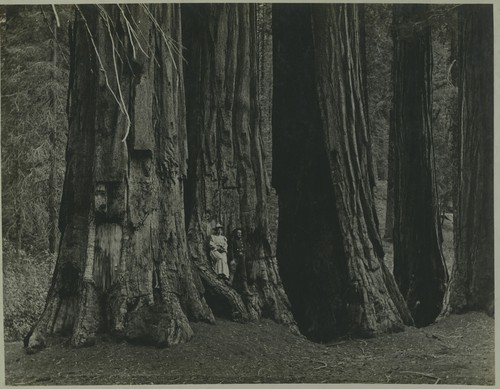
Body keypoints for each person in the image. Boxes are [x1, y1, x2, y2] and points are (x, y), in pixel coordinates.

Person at [229, 228, 251, 295]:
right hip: (236, 257)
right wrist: (232, 259)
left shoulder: (242, 240)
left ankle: (246, 289)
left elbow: (245, 248)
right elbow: (231, 250)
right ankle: (230, 282)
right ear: (236, 233)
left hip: (242, 258)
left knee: (243, 273)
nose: (239, 234)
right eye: (238, 233)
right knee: (233, 270)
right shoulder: (233, 240)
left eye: (240, 233)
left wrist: (243, 254)